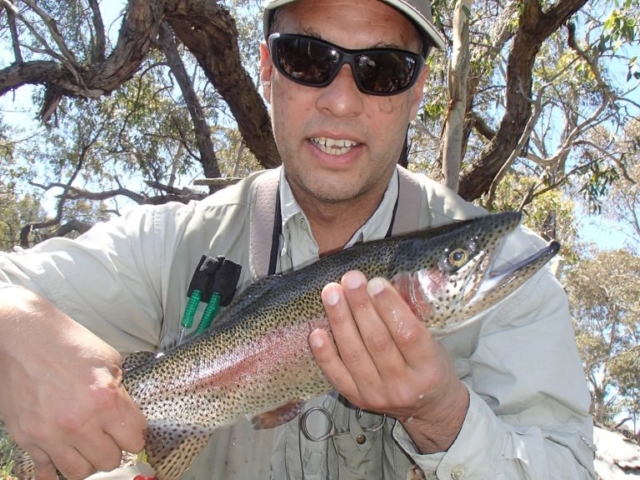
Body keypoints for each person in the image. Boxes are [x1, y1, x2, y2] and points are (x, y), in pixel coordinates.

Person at [0, 0, 596, 478]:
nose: (341, 99)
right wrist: (19, 337)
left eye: (383, 70)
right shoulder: (172, 241)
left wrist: (442, 416)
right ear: (265, 67)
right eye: (307, 58)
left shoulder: (516, 274)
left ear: (417, 92)